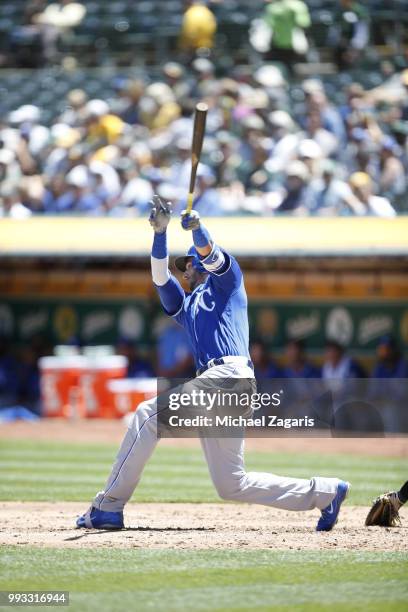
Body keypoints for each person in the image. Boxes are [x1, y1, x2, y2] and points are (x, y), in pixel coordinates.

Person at [76, 196, 349, 532]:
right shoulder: (187, 305)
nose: (185, 268)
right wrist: (160, 233)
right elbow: (161, 279)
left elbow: (212, 254)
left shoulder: (228, 283)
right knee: (231, 484)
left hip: (227, 377)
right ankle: (325, 492)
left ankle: (108, 507)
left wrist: (198, 229)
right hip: (223, 385)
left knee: (147, 416)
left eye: (188, 263)